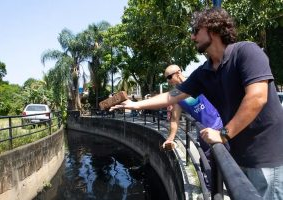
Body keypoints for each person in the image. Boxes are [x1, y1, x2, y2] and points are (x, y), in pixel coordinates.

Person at [110, 8, 283, 199]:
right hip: (238, 158)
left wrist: (223, 134)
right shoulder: (204, 72)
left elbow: (257, 97)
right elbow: (171, 96)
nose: (192, 37)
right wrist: (134, 104)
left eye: (196, 31)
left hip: (267, 159)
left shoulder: (246, 51)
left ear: (213, 30)